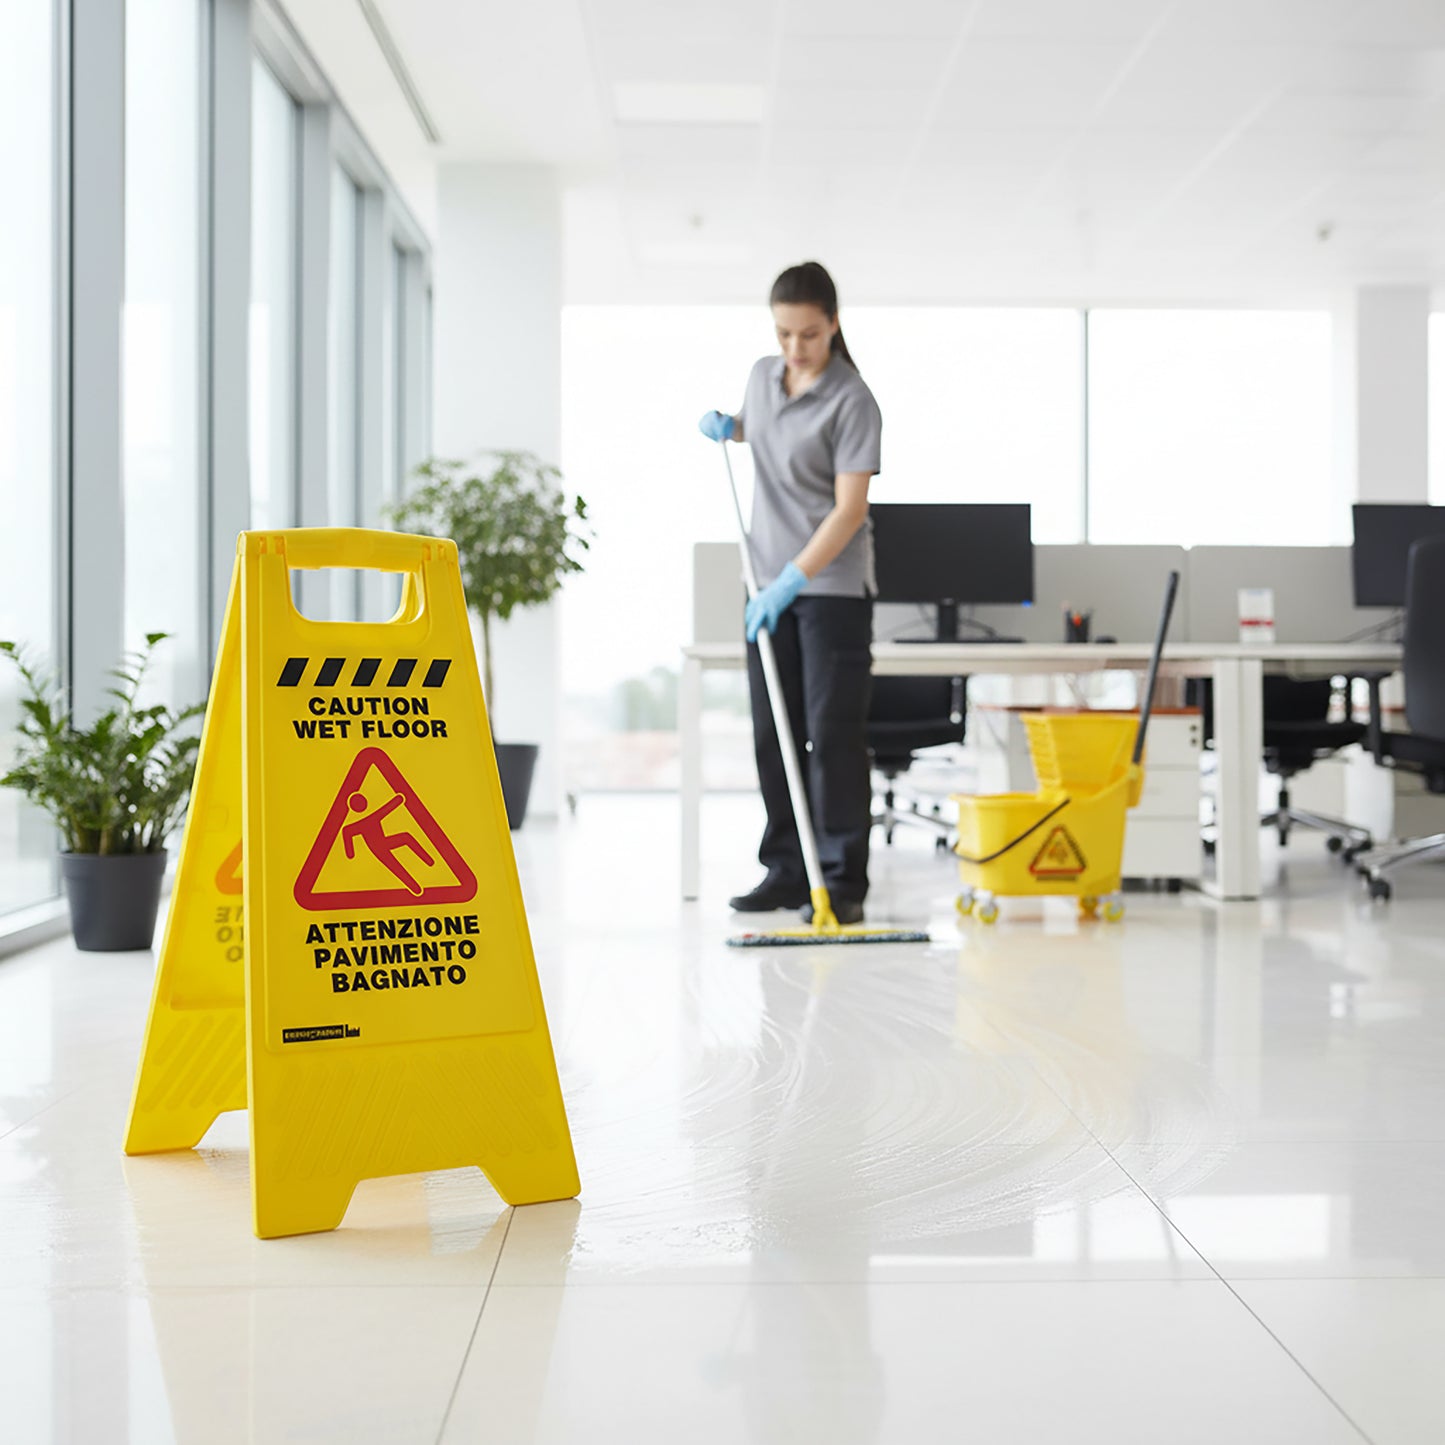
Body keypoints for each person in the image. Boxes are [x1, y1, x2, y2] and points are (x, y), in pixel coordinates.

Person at [699, 261, 882, 924]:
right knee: (773, 731)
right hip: (762, 584)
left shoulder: (853, 401)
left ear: (832, 324)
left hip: (828, 587)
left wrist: (794, 580)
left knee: (831, 736)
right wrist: (731, 425)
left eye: (807, 334)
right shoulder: (761, 375)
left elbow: (849, 509)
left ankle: (841, 882)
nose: (794, 349)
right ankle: (785, 870)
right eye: (782, 334)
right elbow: (760, 428)